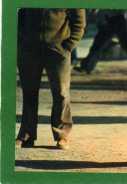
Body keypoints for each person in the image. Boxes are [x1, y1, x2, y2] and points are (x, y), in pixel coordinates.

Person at [16, 8, 86, 149]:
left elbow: (79, 22)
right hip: (29, 49)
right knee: (29, 93)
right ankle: (26, 135)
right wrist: (21, 40)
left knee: (61, 93)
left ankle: (62, 135)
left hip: (58, 50)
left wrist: (69, 44)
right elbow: (19, 14)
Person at [74, 10, 127, 74]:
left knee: (126, 44)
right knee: (99, 44)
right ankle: (86, 67)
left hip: (117, 18)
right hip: (109, 19)